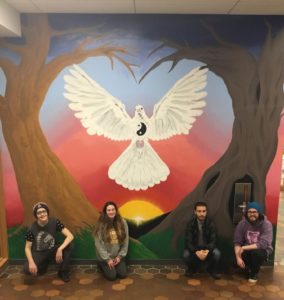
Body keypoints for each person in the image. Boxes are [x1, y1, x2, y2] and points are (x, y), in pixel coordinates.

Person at [23, 202, 74, 282]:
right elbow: (27, 248)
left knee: (69, 245)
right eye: (39, 213)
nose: (42, 214)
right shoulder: (31, 228)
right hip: (39, 252)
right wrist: (31, 262)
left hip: (53, 249)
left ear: (47, 212)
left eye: (44, 211)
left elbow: (70, 236)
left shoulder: (55, 222)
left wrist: (60, 249)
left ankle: (63, 271)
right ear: (36, 215)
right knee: (27, 270)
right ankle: (44, 264)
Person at [234, 201, 273, 283]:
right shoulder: (242, 224)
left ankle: (253, 274)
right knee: (241, 254)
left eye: (254, 212)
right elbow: (237, 242)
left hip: (262, 250)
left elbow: (263, 243)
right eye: (250, 212)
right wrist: (238, 258)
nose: (252, 214)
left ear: (259, 213)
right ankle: (249, 268)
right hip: (247, 250)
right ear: (246, 213)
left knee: (257, 254)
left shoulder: (267, 224)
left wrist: (244, 247)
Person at [184, 201, 221, 279]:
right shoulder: (191, 224)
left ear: (206, 212)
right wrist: (196, 251)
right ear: (195, 212)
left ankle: (212, 270)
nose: (201, 213)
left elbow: (213, 240)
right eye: (199, 211)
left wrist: (207, 250)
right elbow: (188, 242)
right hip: (195, 248)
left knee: (217, 253)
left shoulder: (211, 223)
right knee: (186, 254)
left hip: (206, 248)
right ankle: (191, 269)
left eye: (204, 211)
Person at [94, 201, 129, 281]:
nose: (111, 212)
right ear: (105, 212)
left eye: (113, 209)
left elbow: (125, 241)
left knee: (122, 275)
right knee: (112, 276)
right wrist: (107, 259)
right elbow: (98, 244)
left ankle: (116, 264)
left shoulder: (123, 223)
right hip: (105, 258)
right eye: (109, 210)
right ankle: (101, 265)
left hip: (117, 256)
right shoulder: (101, 224)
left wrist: (119, 257)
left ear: (116, 211)